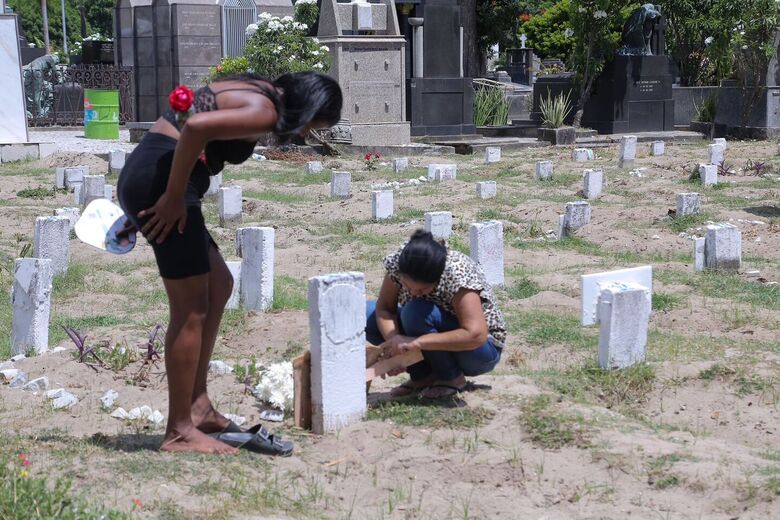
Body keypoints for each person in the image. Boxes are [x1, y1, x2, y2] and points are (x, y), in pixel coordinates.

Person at [117, 72, 343, 454]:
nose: (305, 135)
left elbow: (184, 120)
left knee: (220, 283)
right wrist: (169, 198)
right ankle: (178, 431)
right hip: (165, 185)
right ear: (308, 107)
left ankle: (199, 405)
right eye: (312, 125)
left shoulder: (257, 88)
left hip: (156, 175)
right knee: (191, 310)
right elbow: (195, 127)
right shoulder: (265, 109)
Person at [366, 230, 506, 399]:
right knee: (368, 314)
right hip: (427, 328)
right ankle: (422, 376)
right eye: (407, 287)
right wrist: (395, 342)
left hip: (478, 352)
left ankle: (451, 378)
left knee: (416, 312)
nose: (414, 293)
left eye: (422, 289)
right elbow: (385, 309)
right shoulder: (402, 261)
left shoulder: (456, 273)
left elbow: (475, 334)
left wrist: (417, 342)